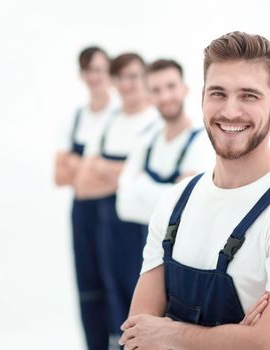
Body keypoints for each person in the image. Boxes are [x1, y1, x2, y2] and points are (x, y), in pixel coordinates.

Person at [119, 31, 270, 350]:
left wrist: (169, 333)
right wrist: (232, 338)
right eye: (218, 93)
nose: (230, 111)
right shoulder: (175, 201)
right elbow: (137, 336)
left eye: (249, 95)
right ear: (202, 97)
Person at [75, 53, 161, 348]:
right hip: (104, 226)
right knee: (102, 298)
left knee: (138, 305)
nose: (127, 84)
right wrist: (123, 175)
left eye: (134, 76)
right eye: (121, 77)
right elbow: (83, 184)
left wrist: (105, 170)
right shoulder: (109, 121)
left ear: (145, 78)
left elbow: (143, 189)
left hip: (139, 230)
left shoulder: (154, 121)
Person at [53, 46, 114, 350]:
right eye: (89, 70)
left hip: (115, 216)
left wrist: (81, 167)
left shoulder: (119, 118)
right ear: (82, 75)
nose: (95, 77)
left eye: (101, 69)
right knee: (88, 289)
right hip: (82, 215)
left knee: (117, 287)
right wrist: (94, 168)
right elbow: (59, 175)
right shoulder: (75, 119)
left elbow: (124, 175)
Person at [116, 58, 214, 226]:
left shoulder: (204, 142)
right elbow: (124, 206)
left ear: (185, 89)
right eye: (156, 90)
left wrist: (140, 185)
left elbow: (188, 207)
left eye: (171, 86)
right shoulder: (144, 140)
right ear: (148, 96)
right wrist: (172, 192)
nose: (165, 96)